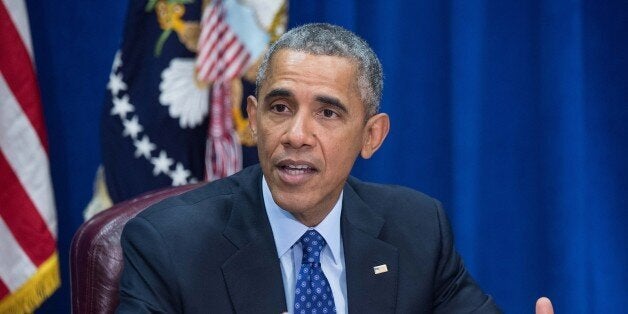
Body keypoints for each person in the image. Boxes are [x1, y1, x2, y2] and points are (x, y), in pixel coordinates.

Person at [117, 23, 553, 313]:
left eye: (328, 113)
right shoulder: (169, 244)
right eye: (281, 107)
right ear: (253, 118)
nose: (296, 135)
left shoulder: (417, 226)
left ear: (371, 136)